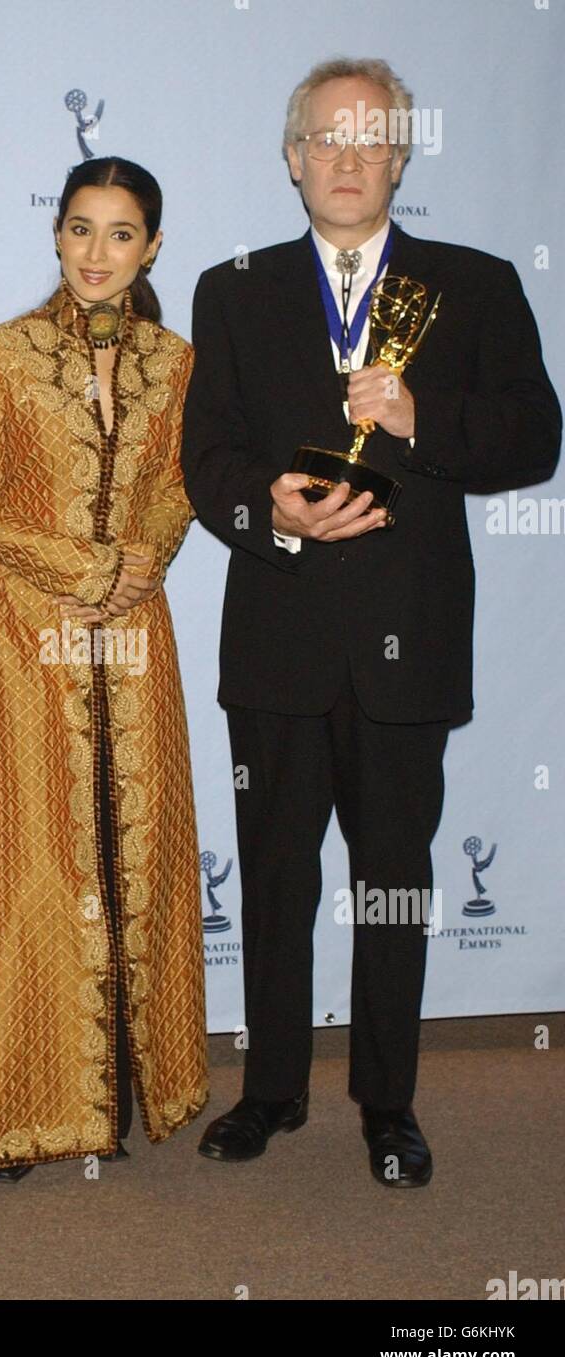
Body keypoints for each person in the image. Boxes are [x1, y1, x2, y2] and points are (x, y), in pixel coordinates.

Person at [182, 57, 560, 1188]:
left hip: (410, 637)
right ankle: (269, 1089)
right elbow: (206, 461)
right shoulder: (231, 286)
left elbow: (535, 437)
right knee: (273, 876)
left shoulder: (476, 281)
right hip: (277, 637)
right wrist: (271, 510)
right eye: (323, 140)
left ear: (399, 155)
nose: (345, 160)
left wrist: (417, 409)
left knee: (392, 876)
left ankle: (387, 1103)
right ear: (292, 157)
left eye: (369, 140)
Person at [0, 156, 208, 1179]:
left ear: (151, 247)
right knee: (30, 858)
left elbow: (184, 482)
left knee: (134, 850)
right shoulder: (0, 354)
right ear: (55, 235)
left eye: (122, 232)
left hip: (136, 634)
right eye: (81, 229)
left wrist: (142, 560)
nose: (98, 252)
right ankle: (23, 1100)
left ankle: (130, 1084)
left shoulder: (176, 361)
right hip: (24, 631)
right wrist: (83, 566)